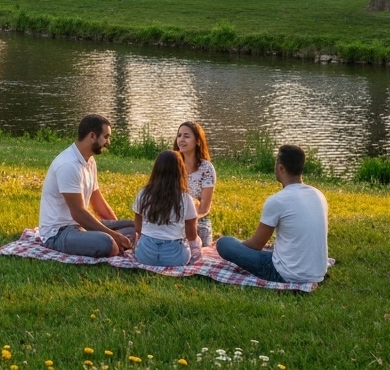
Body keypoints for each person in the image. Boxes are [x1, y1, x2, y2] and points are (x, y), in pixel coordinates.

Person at [215, 145, 329, 284]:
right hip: (317, 272)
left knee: (224, 243)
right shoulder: (318, 195)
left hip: (286, 274)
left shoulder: (278, 200)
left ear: (281, 168)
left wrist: (239, 245)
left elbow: (256, 244)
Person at [38, 114, 138, 257]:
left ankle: (116, 242)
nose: (108, 142)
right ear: (92, 136)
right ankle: (113, 244)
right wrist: (114, 236)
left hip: (81, 227)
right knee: (108, 244)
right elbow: (78, 213)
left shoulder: (89, 161)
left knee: (136, 227)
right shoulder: (68, 165)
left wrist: (115, 229)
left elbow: (98, 202)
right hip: (59, 233)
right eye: (106, 137)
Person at [131, 150, 199, 267]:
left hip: (144, 256)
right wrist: (196, 246)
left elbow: (138, 226)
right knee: (198, 241)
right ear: (180, 171)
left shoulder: (143, 194)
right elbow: (191, 235)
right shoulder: (185, 198)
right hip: (176, 258)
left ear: (155, 170)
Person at [176, 121, 217, 246]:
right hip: (173, 219)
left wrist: (187, 221)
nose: (181, 140)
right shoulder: (172, 164)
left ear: (198, 141)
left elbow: (204, 208)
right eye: (179, 135)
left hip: (199, 221)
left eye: (186, 136)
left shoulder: (206, 168)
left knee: (201, 248)